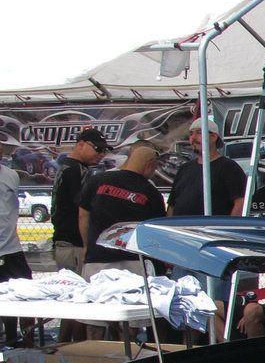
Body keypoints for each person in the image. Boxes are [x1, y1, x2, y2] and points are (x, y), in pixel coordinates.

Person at [77, 144, 166, 280]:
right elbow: (156, 230)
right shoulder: (151, 193)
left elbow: (82, 216)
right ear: (149, 166)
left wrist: (86, 246)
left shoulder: (98, 180)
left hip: (97, 259)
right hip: (134, 261)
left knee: (97, 293)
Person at [51, 127, 114, 275]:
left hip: (66, 242)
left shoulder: (69, 166)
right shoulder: (75, 169)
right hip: (73, 244)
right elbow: (83, 208)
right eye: (98, 149)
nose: (101, 154)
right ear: (80, 144)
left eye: (104, 151)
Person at [168, 118, 247, 217]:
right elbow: (172, 205)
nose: (193, 138)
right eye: (191, 134)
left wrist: (229, 225)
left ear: (213, 137)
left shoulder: (229, 168)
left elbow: (240, 202)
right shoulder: (184, 169)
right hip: (180, 226)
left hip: (213, 226)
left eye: (199, 132)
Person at [0, 152, 31, 346]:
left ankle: (28, 339)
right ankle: (7, 337)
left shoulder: (11, 175)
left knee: (28, 293)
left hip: (11, 248)